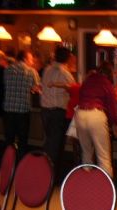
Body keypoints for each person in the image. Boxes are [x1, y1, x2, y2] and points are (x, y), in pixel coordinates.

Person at [75, 61, 117, 178]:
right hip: (96, 115)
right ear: (109, 73)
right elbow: (112, 108)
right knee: (103, 157)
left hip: (80, 114)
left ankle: (86, 184)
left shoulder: (88, 80)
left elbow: (80, 96)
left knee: (86, 154)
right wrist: (115, 125)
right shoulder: (106, 83)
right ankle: (106, 186)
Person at [41, 46, 77, 174]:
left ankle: (45, 171)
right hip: (58, 112)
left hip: (45, 110)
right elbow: (74, 90)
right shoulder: (65, 74)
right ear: (67, 58)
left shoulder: (47, 70)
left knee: (49, 142)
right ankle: (51, 174)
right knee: (56, 145)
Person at [3, 50, 39, 154]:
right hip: (23, 110)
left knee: (9, 139)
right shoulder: (31, 71)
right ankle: (21, 160)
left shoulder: (7, 69)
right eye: (31, 59)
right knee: (22, 140)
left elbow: (5, 84)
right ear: (25, 59)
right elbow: (37, 88)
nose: (32, 61)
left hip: (8, 109)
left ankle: (8, 160)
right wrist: (32, 89)